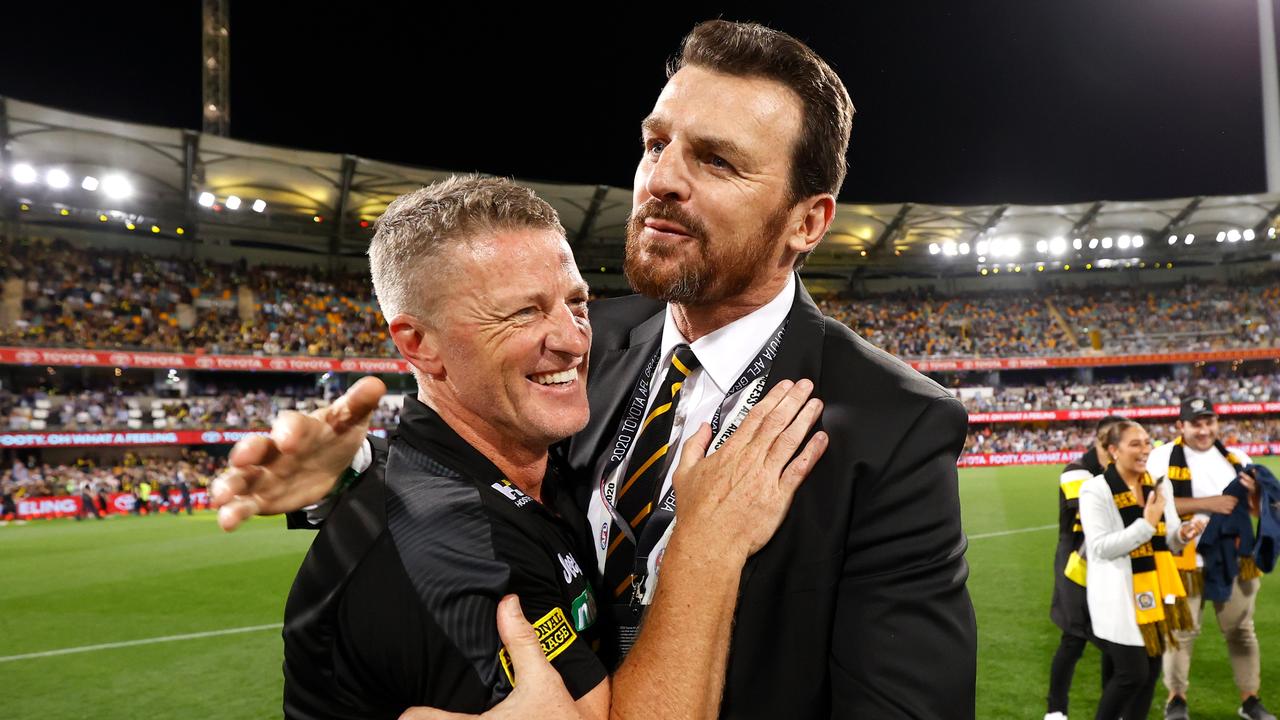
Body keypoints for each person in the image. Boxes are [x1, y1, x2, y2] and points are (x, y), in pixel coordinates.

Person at [214, 20, 976, 719]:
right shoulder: (586, 339)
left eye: (715, 160)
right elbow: (482, 462)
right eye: (656, 144)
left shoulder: (893, 423)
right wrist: (362, 469)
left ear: (807, 221)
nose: (662, 180)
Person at [280, 176, 827, 719]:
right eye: (523, 312)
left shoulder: (523, 460)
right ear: (419, 344)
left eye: (577, 301)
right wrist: (705, 545)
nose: (573, 339)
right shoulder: (456, 550)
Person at [1145, 397, 1275, 720]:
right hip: (1180, 559)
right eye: (1195, 424)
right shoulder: (1159, 459)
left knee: (1242, 631)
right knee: (1180, 634)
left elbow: (1254, 511)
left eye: (1209, 422)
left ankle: (1250, 700)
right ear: (1180, 425)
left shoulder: (1237, 458)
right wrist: (1212, 503)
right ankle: (1176, 699)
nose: (1204, 431)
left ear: (1216, 422)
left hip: (1233, 558)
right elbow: (1152, 505)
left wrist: (1257, 498)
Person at [1078, 419, 1204, 720]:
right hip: (1118, 598)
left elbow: (1170, 536)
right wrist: (1146, 524)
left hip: (1155, 593)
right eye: (1135, 444)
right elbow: (1100, 547)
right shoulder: (1095, 490)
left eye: (1147, 442)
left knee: (1149, 673)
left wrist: (1183, 534)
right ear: (1113, 450)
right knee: (1131, 674)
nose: (1145, 449)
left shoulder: (1159, 484)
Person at [1045, 415, 1127, 720]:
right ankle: (1055, 710)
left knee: (1113, 639)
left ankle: (1113, 708)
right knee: (1074, 637)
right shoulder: (1075, 471)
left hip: (1110, 562)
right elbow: (1095, 513)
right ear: (1103, 441)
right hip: (1075, 563)